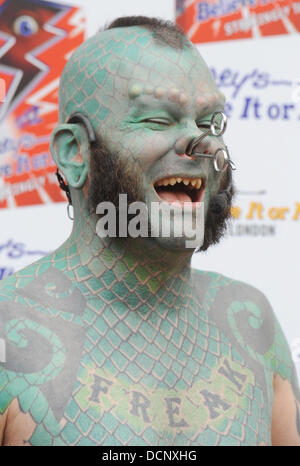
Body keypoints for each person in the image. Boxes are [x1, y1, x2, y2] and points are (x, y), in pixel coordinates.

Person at [0, 15, 299, 447]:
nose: (201, 144)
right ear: (74, 152)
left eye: (211, 123)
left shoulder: (252, 323)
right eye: (158, 121)